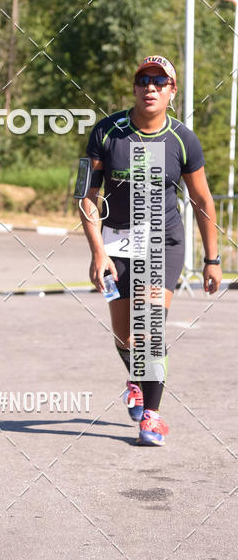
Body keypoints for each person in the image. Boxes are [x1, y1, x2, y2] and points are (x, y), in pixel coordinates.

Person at [80, 55, 222, 446]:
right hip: (116, 242)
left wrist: (212, 259)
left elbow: (203, 201)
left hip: (164, 242)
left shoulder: (182, 139)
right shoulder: (107, 133)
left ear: (172, 91)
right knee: (125, 336)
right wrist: (97, 253)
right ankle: (135, 379)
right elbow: (87, 197)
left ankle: (152, 417)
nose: (151, 87)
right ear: (135, 87)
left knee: (148, 330)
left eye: (161, 81)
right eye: (144, 80)